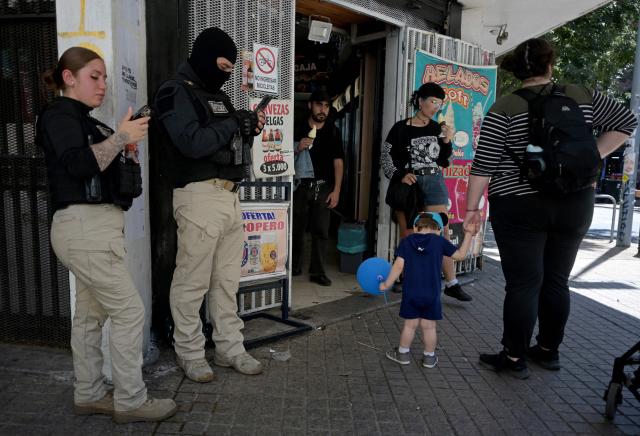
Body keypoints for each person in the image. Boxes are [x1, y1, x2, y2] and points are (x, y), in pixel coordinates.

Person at [464, 38, 638, 379]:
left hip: (519, 204)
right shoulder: (581, 95)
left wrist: (472, 210)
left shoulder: (505, 106)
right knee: (557, 281)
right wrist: (592, 157)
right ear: (550, 65)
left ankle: (514, 358)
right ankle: (547, 351)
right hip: (576, 201)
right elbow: (625, 121)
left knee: (524, 283)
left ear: (517, 70)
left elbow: (483, 164)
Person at [37, 47, 177, 423]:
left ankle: (89, 393)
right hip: (85, 228)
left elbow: (102, 170)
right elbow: (80, 165)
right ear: (69, 78)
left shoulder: (85, 121)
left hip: (91, 229)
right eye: (94, 76)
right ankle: (131, 400)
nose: (102, 85)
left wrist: (122, 141)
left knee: (90, 315)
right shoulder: (60, 114)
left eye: (104, 78)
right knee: (130, 312)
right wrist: (120, 138)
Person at [154, 27, 266, 382]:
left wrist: (249, 126)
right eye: (221, 64)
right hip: (198, 195)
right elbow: (191, 142)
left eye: (231, 68)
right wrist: (233, 122)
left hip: (230, 196)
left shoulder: (217, 96)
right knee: (192, 282)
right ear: (203, 56)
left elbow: (226, 137)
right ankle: (189, 352)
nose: (225, 73)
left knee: (226, 282)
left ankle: (229, 348)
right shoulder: (174, 92)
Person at [381, 82, 473, 302]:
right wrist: (400, 174)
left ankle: (451, 282)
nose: (435, 107)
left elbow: (444, 161)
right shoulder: (400, 128)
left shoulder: (436, 128)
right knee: (409, 234)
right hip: (408, 186)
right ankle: (407, 279)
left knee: (441, 232)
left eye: (439, 104)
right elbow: (386, 156)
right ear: (420, 101)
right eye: (432, 102)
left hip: (434, 182)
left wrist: (447, 140)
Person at [380, 212, 478, 368]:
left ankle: (403, 354)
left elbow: (398, 266)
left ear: (415, 227)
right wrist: (468, 234)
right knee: (429, 326)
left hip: (411, 293)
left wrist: (386, 284)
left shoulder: (407, 241)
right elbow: (460, 255)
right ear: (438, 229)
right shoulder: (440, 242)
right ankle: (429, 358)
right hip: (431, 294)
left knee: (409, 325)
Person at [291, 89, 345, 286]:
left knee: (321, 230)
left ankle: (317, 272)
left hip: (323, 185)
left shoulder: (333, 130)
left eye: (326, 106)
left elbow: (338, 162)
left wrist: (337, 190)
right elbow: (278, 150)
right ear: (310, 105)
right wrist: (297, 146)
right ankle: (294, 265)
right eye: (319, 105)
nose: (323, 109)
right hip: (300, 184)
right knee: (296, 228)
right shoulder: (297, 127)